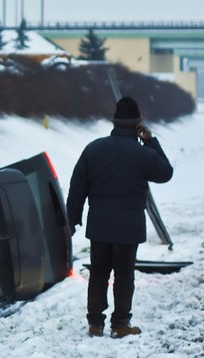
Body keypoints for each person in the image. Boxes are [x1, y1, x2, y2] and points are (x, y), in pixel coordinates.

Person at [67, 96, 173, 338]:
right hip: (128, 228)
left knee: (99, 273)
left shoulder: (93, 149)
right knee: (124, 275)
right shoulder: (142, 154)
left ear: (114, 123)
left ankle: (95, 323)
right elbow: (165, 173)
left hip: (100, 226)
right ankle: (121, 324)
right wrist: (151, 142)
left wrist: (71, 219)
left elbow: (77, 187)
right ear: (137, 125)